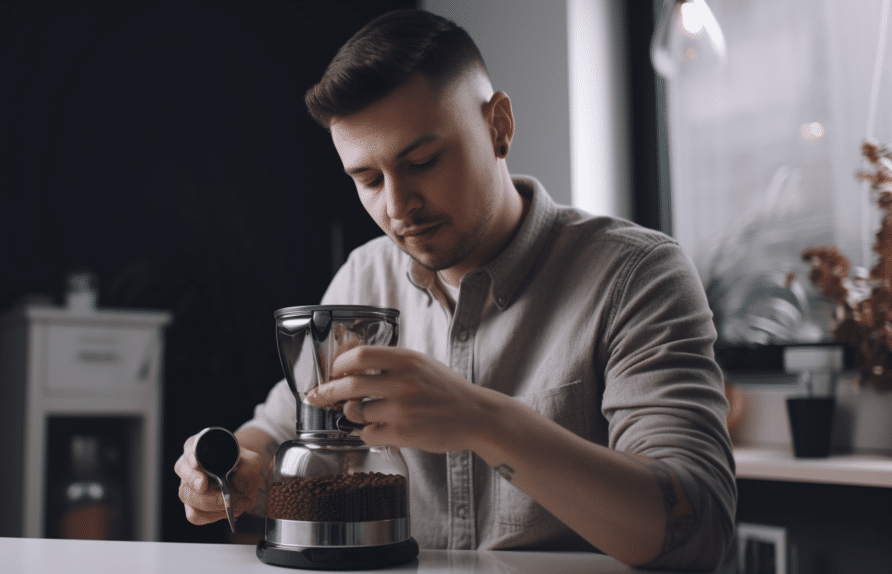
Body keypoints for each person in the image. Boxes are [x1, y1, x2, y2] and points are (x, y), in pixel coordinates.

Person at [175, 8, 735, 570]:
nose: (398, 207)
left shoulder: (636, 275)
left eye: (422, 162)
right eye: (368, 179)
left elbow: (699, 530)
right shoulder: (365, 276)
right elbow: (275, 431)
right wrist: (229, 468)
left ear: (499, 127)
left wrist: (483, 421)